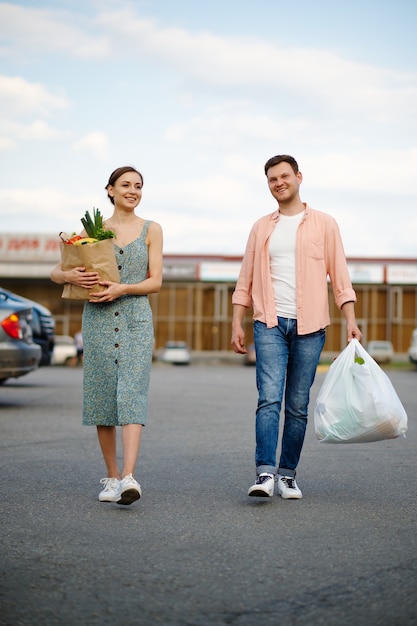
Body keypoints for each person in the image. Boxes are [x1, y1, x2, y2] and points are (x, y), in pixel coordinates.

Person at [231, 155, 362, 500]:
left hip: (311, 325)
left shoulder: (324, 224)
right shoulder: (261, 227)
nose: (278, 183)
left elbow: (340, 276)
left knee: (298, 404)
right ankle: (264, 474)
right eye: (272, 179)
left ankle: (287, 474)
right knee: (269, 398)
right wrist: (236, 322)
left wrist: (350, 319)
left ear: (299, 177)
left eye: (284, 176)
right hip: (269, 323)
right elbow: (245, 278)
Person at [51, 166, 163, 505]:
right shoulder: (93, 231)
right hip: (98, 321)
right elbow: (56, 272)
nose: (133, 190)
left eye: (138, 186)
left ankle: (129, 477)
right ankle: (112, 477)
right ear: (110, 190)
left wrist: (123, 289)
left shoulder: (152, 229)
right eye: (125, 185)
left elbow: (155, 281)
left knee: (131, 394)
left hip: (136, 321)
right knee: (103, 397)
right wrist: (69, 274)